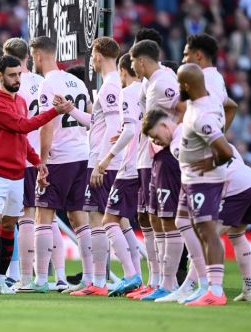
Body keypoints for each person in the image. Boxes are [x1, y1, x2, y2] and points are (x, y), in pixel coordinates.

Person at [143, 110, 251, 303]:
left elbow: (195, 177)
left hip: (236, 189)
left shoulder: (177, 145)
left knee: (206, 235)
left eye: (156, 136)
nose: (156, 142)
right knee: (237, 235)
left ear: (165, 126)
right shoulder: (192, 128)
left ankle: (199, 288)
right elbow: (230, 149)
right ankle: (249, 289)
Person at [0, 55, 71, 294]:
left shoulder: (19, 100)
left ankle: (3, 278)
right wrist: (54, 112)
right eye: (12, 75)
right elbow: (22, 126)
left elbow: (20, 137)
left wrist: (37, 161)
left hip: (16, 173)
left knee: (9, 225)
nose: (17, 79)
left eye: (19, 74)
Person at [24, 36, 93, 294]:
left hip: (60, 157)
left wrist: (42, 161)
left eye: (33, 56)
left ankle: (41, 280)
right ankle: (89, 278)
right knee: (79, 217)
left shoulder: (47, 85)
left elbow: (46, 124)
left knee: (43, 215)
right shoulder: (76, 81)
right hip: (82, 154)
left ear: (38, 55)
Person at [2, 37, 67, 291]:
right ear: (27, 57)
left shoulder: (9, 85)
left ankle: (26, 278)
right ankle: (60, 276)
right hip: (45, 155)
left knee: (27, 216)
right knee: (48, 219)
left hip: (23, 157)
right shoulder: (43, 82)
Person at [68, 37, 125, 296]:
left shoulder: (111, 86)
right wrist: (71, 110)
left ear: (99, 55)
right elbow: (98, 122)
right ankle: (106, 280)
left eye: (92, 54)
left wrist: (102, 163)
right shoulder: (110, 85)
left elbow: (114, 128)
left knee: (99, 220)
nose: (91, 59)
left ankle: (100, 283)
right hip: (103, 160)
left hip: (102, 162)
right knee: (106, 219)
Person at [130, 38, 185, 300]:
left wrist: (175, 138)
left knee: (165, 217)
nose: (131, 66)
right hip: (148, 155)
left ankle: (169, 283)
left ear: (141, 60)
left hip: (163, 155)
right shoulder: (149, 83)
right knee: (150, 216)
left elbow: (184, 108)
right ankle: (156, 282)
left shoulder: (164, 83)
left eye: (132, 61)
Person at [176, 63, 233, 306]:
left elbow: (225, 151)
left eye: (180, 83)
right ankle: (207, 287)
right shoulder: (210, 102)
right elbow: (232, 106)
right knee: (200, 230)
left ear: (187, 86)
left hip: (204, 181)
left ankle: (215, 291)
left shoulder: (201, 116)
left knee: (207, 231)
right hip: (194, 179)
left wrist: (210, 163)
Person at [95, 53, 143, 297]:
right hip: (145, 165)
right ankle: (144, 278)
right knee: (131, 222)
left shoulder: (128, 92)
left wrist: (106, 159)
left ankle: (131, 275)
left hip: (129, 167)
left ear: (124, 70)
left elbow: (130, 130)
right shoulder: (146, 91)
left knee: (108, 220)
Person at [182, 34, 237, 130]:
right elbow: (232, 106)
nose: (183, 60)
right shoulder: (216, 77)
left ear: (198, 56)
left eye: (186, 55)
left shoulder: (201, 80)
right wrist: (220, 136)